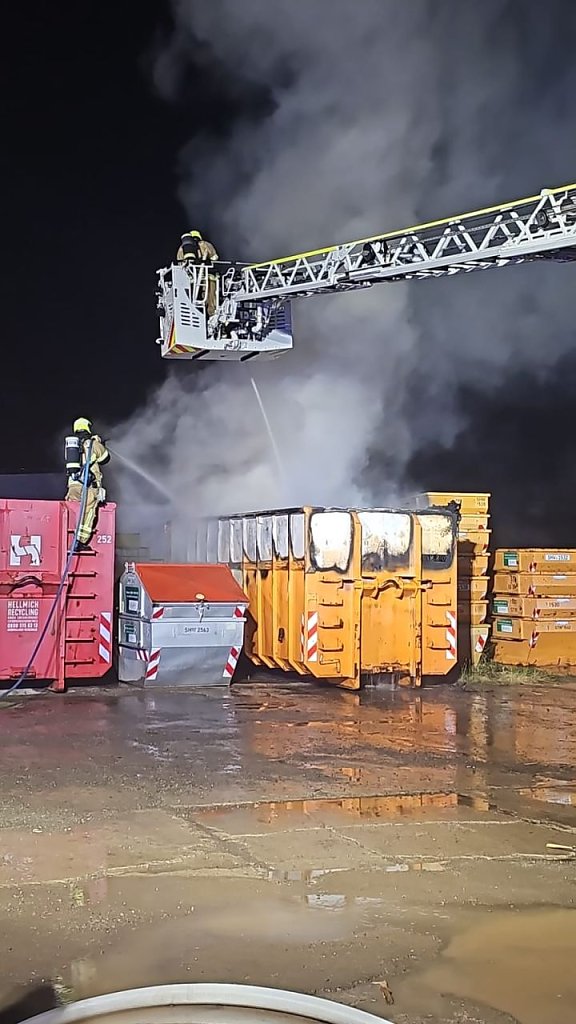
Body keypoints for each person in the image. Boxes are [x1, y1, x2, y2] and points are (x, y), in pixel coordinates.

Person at [65, 417, 109, 546]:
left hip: (73, 485)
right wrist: (99, 443)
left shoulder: (72, 446)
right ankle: (80, 541)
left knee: (73, 510)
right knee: (89, 512)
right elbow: (105, 458)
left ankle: (67, 537)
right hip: (88, 486)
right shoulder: (92, 444)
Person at [176, 229, 219, 317]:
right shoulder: (205, 244)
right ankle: (212, 314)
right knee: (211, 298)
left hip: (191, 278)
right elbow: (215, 257)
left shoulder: (182, 248)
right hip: (208, 276)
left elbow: (180, 262)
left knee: (190, 298)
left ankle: (192, 313)